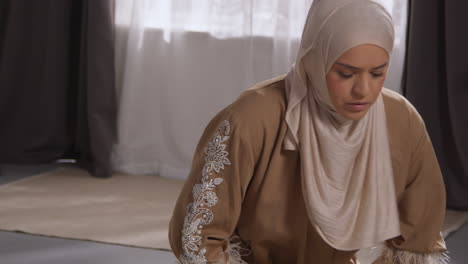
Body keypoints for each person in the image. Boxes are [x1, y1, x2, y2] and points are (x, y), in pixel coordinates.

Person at [168, 0, 449, 263]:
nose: (363, 90)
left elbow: (419, 233)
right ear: (314, 60)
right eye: (345, 73)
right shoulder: (252, 118)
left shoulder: (399, 119)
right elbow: (199, 236)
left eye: (377, 73)